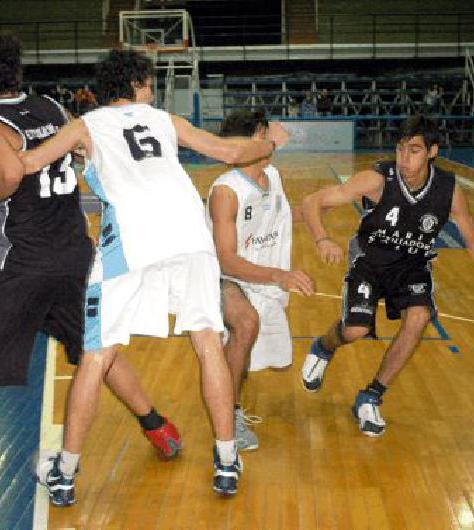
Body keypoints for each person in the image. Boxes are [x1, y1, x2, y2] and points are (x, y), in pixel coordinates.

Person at [0, 33, 180, 518]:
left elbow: (7, 174)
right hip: (73, 251)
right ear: (18, 71)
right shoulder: (51, 106)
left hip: (22, 260)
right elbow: (78, 153)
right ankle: (160, 429)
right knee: (95, 348)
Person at [20, 49, 289, 496]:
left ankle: (65, 473)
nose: (152, 89)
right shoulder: (164, 120)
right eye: (147, 82)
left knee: (97, 355)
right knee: (207, 342)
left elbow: (28, 164)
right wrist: (272, 142)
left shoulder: (86, 126)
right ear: (134, 85)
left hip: (131, 242)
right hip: (190, 237)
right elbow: (228, 151)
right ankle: (226, 461)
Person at [300, 115, 474, 437]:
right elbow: (312, 201)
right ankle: (324, 348)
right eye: (400, 149)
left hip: (412, 266)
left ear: (432, 151)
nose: (404, 158)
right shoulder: (377, 180)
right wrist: (322, 238)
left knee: (420, 317)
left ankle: (371, 396)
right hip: (369, 262)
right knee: (354, 329)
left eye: (413, 150)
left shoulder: (449, 191)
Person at [205, 109, 314, 451]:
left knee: (247, 347)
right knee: (246, 324)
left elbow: (280, 218)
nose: (272, 141)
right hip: (220, 275)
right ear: (252, 140)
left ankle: (225, 390)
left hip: (258, 275)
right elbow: (226, 259)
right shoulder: (227, 191)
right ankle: (229, 415)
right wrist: (277, 275)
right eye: (265, 135)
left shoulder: (273, 176)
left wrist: (317, 213)